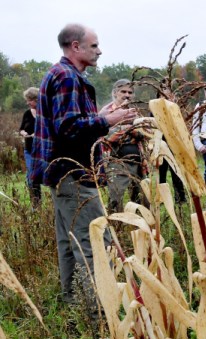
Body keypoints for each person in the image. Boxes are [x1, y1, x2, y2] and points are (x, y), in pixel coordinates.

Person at [30, 24, 136, 308]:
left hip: (62, 174)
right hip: (75, 174)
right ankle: (98, 314)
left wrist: (99, 116)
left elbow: (65, 122)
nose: (99, 51)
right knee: (92, 243)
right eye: (94, 46)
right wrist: (108, 121)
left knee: (69, 243)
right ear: (75, 46)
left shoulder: (60, 74)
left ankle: (74, 305)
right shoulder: (67, 77)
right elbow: (68, 128)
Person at [100, 79, 148, 213]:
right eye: (123, 91)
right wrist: (132, 128)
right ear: (115, 93)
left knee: (142, 199)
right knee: (115, 198)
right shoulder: (106, 112)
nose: (127, 95)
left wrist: (126, 128)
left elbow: (145, 132)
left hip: (138, 162)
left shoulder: (135, 111)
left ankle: (140, 229)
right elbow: (108, 136)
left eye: (130, 92)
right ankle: (116, 229)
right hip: (117, 162)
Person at [19, 87, 41, 205]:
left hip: (42, 151)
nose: (27, 103)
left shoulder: (45, 113)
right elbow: (21, 129)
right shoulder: (27, 113)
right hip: (29, 150)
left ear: (36, 99)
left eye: (29, 100)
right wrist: (25, 134)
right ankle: (36, 205)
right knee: (31, 177)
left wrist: (37, 134)